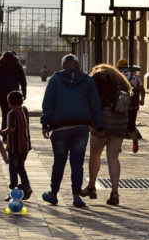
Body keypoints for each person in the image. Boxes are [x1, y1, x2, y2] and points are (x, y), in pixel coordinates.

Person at [40, 54, 103, 208]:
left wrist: (45, 123)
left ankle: (53, 194)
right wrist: (98, 124)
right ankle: (76, 196)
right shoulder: (88, 80)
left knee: (59, 162)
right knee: (77, 163)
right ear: (77, 64)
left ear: (63, 66)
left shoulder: (55, 80)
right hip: (81, 128)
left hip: (60, 128)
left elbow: (48, 103)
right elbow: (95, 103)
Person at [82, 63, 134, 206]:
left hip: (104, 120)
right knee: (113, 157)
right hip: (120, 121)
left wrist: (95, 123)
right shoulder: (121, 81)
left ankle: (91, 187)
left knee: (95, 154)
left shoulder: (97, 77)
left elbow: (94, 101)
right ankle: (114, 192)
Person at [0, 90, 32, 200]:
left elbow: (11, 129)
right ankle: (26, 186)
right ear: (22, 101)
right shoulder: (24, 110)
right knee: (21, 167)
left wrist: (2, 132)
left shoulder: (11, 114)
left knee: (13, 169)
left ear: (9, 103)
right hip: (25, 146)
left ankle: (14, 191)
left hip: (15, 147)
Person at [0, 51, 27, 130]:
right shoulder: (18, 67)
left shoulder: (0, 67)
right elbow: (23, 82)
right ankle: (12, 133)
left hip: (2, 94)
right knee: (14, 113)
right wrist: (24, 93)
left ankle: (4, 135)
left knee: (5, 114)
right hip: (14, 95)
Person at [117, 58, 145, 153]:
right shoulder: (135, 77)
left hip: (121, 105)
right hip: (133, 105)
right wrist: (142, 99)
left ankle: (118, 146)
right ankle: (134, 140)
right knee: (131, 125)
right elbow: (141, 89)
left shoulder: (117, 76)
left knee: (120, 125)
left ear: (118, 67)